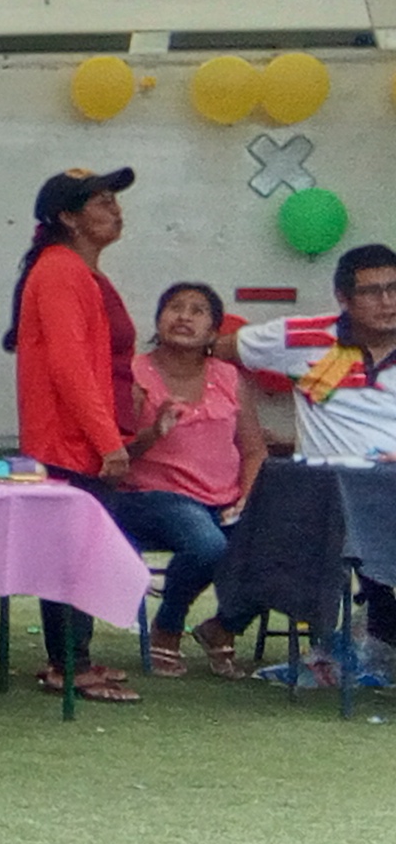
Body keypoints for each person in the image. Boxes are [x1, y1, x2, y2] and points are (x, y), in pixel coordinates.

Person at [218, 240, 396, 676]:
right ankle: (376, 626)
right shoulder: (303, 338)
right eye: (372, 291)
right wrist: (245, 424)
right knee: (313, 522)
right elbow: (216, 353)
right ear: (343, 298)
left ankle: (227, 624)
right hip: (323, 498)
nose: (387, 302)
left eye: (394, 289)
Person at [6, 168, 144, 703]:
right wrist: (108, 440)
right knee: (72, 555)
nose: (116, 209)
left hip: (73, 439)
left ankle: (73, 658)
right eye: (102, 201)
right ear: (68, 217)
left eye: (115, 200)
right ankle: (68, 664)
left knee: (79, 552)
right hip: (66, 443)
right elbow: (69, 367)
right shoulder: (61, 271)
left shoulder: (72, 271)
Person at [120, 281, 263, 677]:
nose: (184, 316)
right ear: (158, 320)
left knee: (284, 547)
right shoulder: (134, 373)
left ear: (214, 332)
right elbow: (115, 453)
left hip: (224, 500)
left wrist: (247, 499)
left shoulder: (229, 377)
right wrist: (154, 432)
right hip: (150, 497)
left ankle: (222, 626)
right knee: (208, 544)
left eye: (197, 311)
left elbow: (254, 450)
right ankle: (168, 627)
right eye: (175, 307)